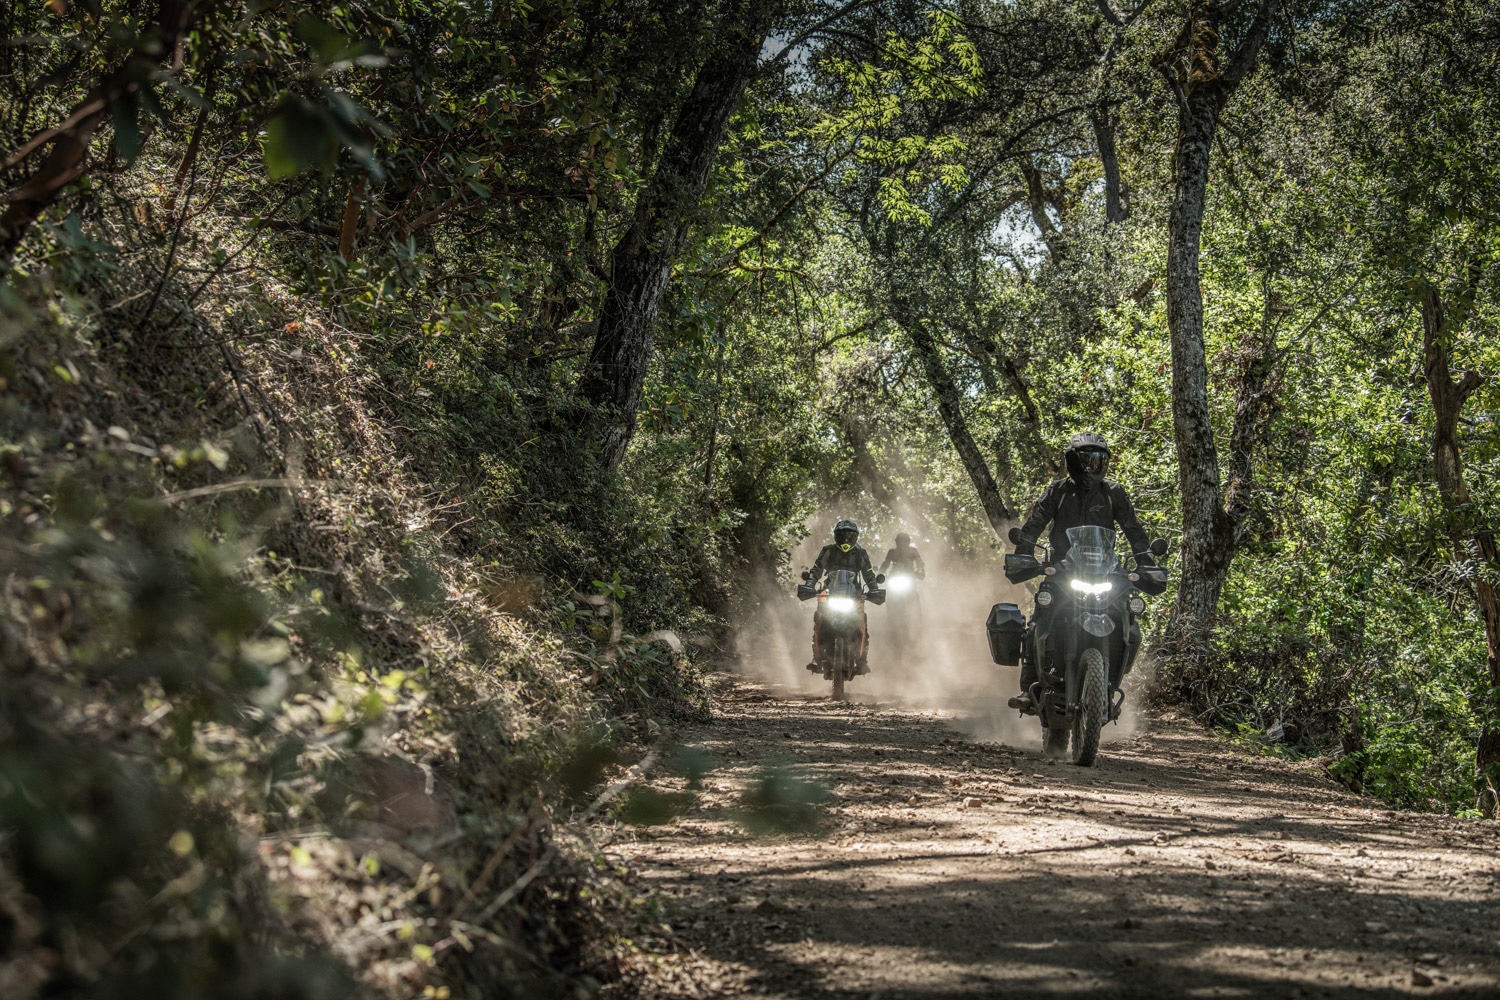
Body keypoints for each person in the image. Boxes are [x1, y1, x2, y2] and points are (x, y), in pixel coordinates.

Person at [1005, 432, 1156, 712]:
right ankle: (1028, 690)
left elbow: (1133, 529)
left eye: (1097, 461)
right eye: (1085, 460)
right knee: (1038, 623)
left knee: (1129, 625)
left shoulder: (1114, 493)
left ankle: (1108, 687)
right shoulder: (1058, 492)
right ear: (1072, 461)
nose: (1091, 467)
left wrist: (1146, 561)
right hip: (1063, 571)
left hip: (1106, 572)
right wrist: (1024, 553)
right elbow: (1035, 523)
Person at [804, 519, 879, 674]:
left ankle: (862, 660)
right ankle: (816, 658)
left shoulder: (860, 552)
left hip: (854, 595)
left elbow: (869, 574)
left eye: (849, 535)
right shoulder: (828, 551)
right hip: (829, 594)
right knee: (819, 620)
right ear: (836, 536)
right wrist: (810, 585)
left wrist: (874, 589)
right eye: (842, 534)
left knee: (862, 621)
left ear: (855, 536)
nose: (846, 538)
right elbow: (816, 570)